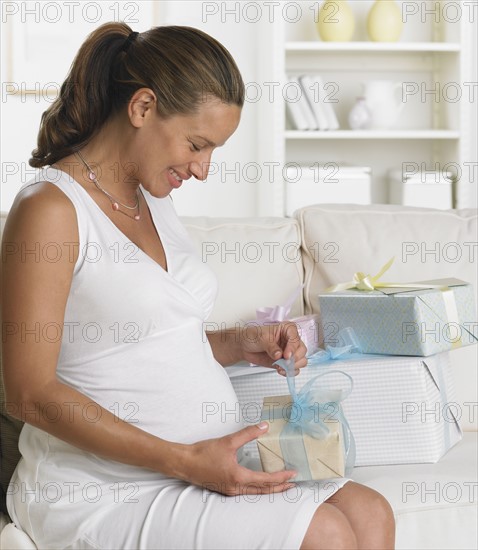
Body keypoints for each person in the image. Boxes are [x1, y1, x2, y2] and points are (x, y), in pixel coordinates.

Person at [1, 22, 395, 549]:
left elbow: (140, 344)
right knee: (324, 534)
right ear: (142, 108)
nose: (204, 169)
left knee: (371, 514)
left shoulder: (154, 200)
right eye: (197, 144)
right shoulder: (49, 211)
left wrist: (236, 344)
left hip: (198, 464)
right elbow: (28, 394)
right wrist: (184, 461)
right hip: (100, 489)